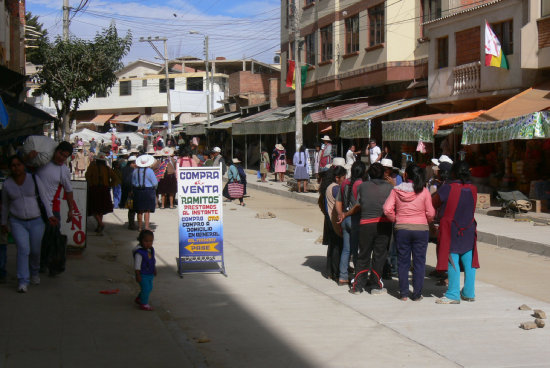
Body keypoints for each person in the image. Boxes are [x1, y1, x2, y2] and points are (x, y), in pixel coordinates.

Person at [1, 156, 56, 293]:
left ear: (23, 166)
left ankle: (34, 272)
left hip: (37, 221)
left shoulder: (34, 179)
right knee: (23, 249)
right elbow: (5, 205)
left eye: (18, 164)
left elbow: (44, 198)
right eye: (13, 165)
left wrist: (50, 215)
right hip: (17, 221)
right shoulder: (7, 184)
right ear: (10, 168)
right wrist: (3, 222)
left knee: (35, 250)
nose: (16, 168)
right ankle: (22, 280)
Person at [383, 164, 435, 301]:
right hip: (421, 229)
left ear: (405, 175)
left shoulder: (396, 191)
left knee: (403, 261)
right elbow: (431, 213)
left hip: (402, 228)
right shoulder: (424, 191)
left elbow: (387, 209)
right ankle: (417, 294)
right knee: (419, 262)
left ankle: (404, 293)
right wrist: (426, 220)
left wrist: (397, 219)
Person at [433, 161, 479, 304]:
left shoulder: (448, 188)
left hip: (452, 228)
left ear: (454, 173)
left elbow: (434, 202)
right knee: (469, 259)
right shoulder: (473, 188)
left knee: (452, 259)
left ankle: (453, 293)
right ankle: (469, 292)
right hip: (468, 228)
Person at [345, 163, 393, 294]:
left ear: (369, 174)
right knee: (380, 255)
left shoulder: (362, 186)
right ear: (384, 174)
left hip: (366, 223)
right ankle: (375, 285)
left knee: (363, 254)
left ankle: (358, 286)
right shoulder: (390, 187)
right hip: (384, 224)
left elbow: (359, 204)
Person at [335, 161, 366, 285]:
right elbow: (358, 206)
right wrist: (346, 214)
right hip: (355, 220)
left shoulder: (344, 183)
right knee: (356, 251)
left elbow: (338, 202)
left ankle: (343, 277)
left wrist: (341, 214)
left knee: (346, 249)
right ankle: (359, 277)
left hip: (345, 220)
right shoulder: (361, 185)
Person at [34, 141, 75, 223]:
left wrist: (71, 210)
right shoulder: (42, 161)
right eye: (60, 154)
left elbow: (68, 191)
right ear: (55, 151)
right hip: (33, 208)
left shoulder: (64, 170)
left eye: (65, 156)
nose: (62, 158)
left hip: (52, 210)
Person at [318, 165, 347, 282]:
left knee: (332, 246)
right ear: (337, 178)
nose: (345, 180)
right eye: (343, 177)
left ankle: (330, 271)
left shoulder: (329, 186)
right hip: (334, 220)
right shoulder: (335, 188)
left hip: (329, 220)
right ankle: (336, 272)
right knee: (337, 247)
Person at [85, 152, 119, 233]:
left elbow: (87, 176)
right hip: (105, 189)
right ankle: (99, 225)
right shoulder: (107, 168)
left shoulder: (93, 167)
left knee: (94, 208)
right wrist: (109, 185)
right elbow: (115, 179)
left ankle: (100, 223)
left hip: (95, 189)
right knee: (101, 209)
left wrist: (91, 184)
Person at [132, 155, 158, 231]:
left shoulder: (135, 171)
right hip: (148, 191)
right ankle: (146, 227)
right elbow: (155, 183)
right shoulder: (150, 171)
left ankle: (140, 227)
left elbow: (133, 182)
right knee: (147, 210)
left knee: (139, 210)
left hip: (138, 191)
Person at [133, 229, 157, 311]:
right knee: (146, 288)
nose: (148, 243)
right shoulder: (139, 253)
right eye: (146, 241)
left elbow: (152, 260)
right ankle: (144, 303)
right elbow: (137, 266)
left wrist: (154, 268)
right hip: (143, 274)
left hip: (149, 273)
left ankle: (140, 298)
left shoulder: (150, 249)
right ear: (141, 241)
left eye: (151, 241)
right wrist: (138, 275)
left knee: (149, 288)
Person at [121, 156, 137, 230]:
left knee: (131, 208)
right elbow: (129, 181)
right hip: (131, 190)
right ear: (131, 163)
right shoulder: (132, 170)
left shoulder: (123, 169)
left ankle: (131, 223)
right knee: (132, 208)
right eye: (134, 163)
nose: (136, 164)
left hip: (125, 190)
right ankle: (131, 224)